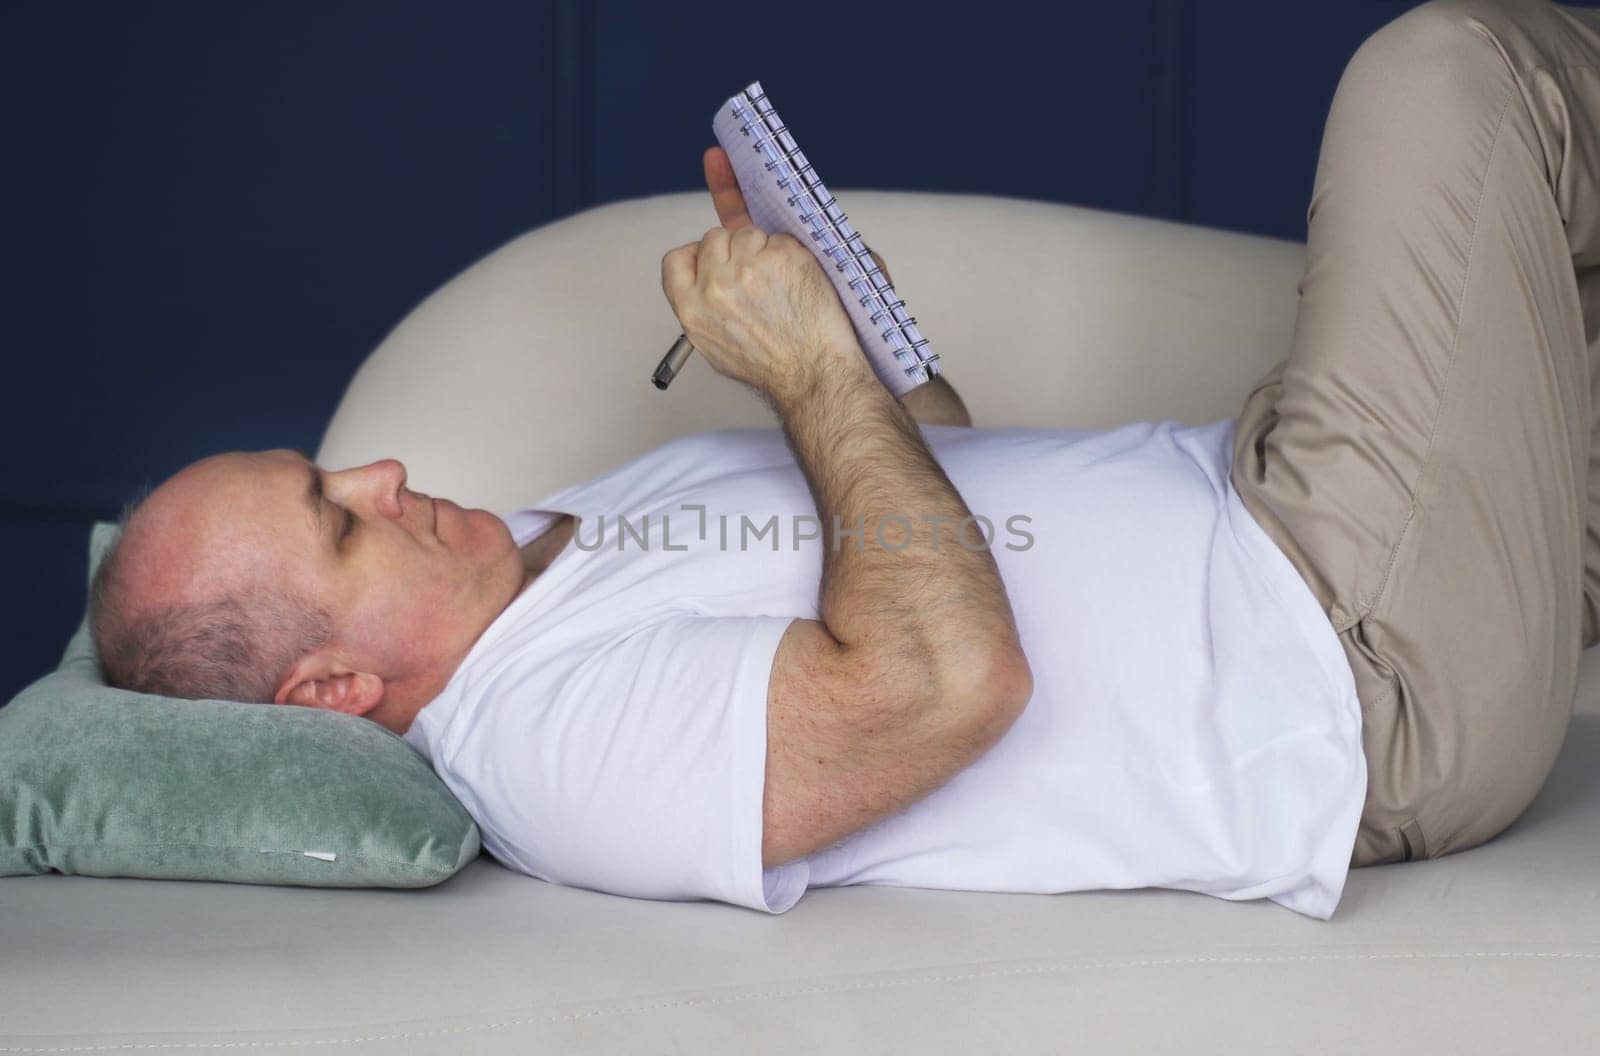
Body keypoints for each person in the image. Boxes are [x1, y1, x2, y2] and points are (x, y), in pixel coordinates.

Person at [90, 0, 1599, 917]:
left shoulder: (566, 541)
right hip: (1353, 659)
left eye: (330, 471)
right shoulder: (549, 744)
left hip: (1280, 502)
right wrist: (809, 374)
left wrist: (850, 338)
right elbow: (945, 684)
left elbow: (939, 508)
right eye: (336, 524)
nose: (377, 476)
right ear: (331, 695)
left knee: (1559, 288)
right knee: (1444, 75)